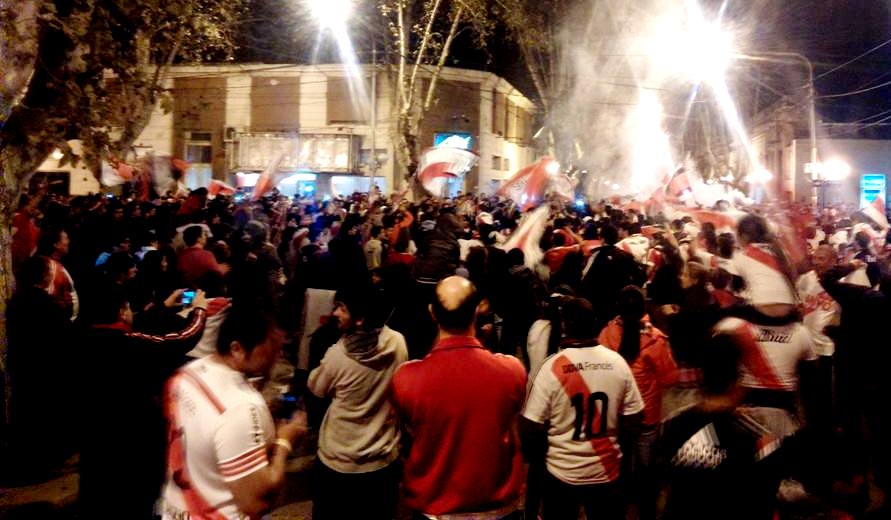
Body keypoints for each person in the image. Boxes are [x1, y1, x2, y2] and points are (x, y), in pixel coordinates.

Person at [391, 276, 526, 518]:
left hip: (434, 506)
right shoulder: (512, 370)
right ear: (477, 311)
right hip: (498, 507)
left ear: (432, 313)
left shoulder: (406, 378)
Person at [160, 304, 308, 519]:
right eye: (271, 349)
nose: (276, 357)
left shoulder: (186, 375)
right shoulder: (242, 408)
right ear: (237, 349)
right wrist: (284, 442)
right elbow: (256, 503)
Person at [78, 285, 208, 519]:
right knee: (135, 496)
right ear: (121, 311)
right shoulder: (128, 343)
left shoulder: (80, 338)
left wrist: (163, 306)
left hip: (94, 435)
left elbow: (138, 323)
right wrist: (199, 310)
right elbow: (180, 339)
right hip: (133, 438)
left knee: (97, 491)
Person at [522, 297, 644, 520]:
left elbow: (531, 426)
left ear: (565, 327)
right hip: (606, 471)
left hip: (562, 472)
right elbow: (636, 417)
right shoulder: (617, 363)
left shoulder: (552, 368)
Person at [308, 285, 408, 519]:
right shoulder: (397, 342)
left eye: (342, 308)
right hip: (383, 457)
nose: (335, 313)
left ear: (360, 319)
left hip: (340, 460)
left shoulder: (338, 356)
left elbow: (316, 387)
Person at [36, 227, 79, 320]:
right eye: (66, 238)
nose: (69, 241)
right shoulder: (51, 268)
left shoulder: (53, 264)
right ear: (56, 244)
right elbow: (49, 298)